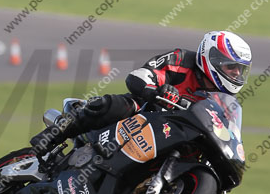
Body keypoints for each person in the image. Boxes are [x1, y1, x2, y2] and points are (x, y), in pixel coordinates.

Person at [30, 30, 252, 155]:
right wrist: (157, 91)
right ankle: (56, 133)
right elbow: (140, 76)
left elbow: (228, 133)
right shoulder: (181, 59)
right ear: (211, 58)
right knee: (124, 104)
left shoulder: (225, 101)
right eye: (229, 66)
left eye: (239, 69)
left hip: (174, 137)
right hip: (147, 114)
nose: (235, 73)